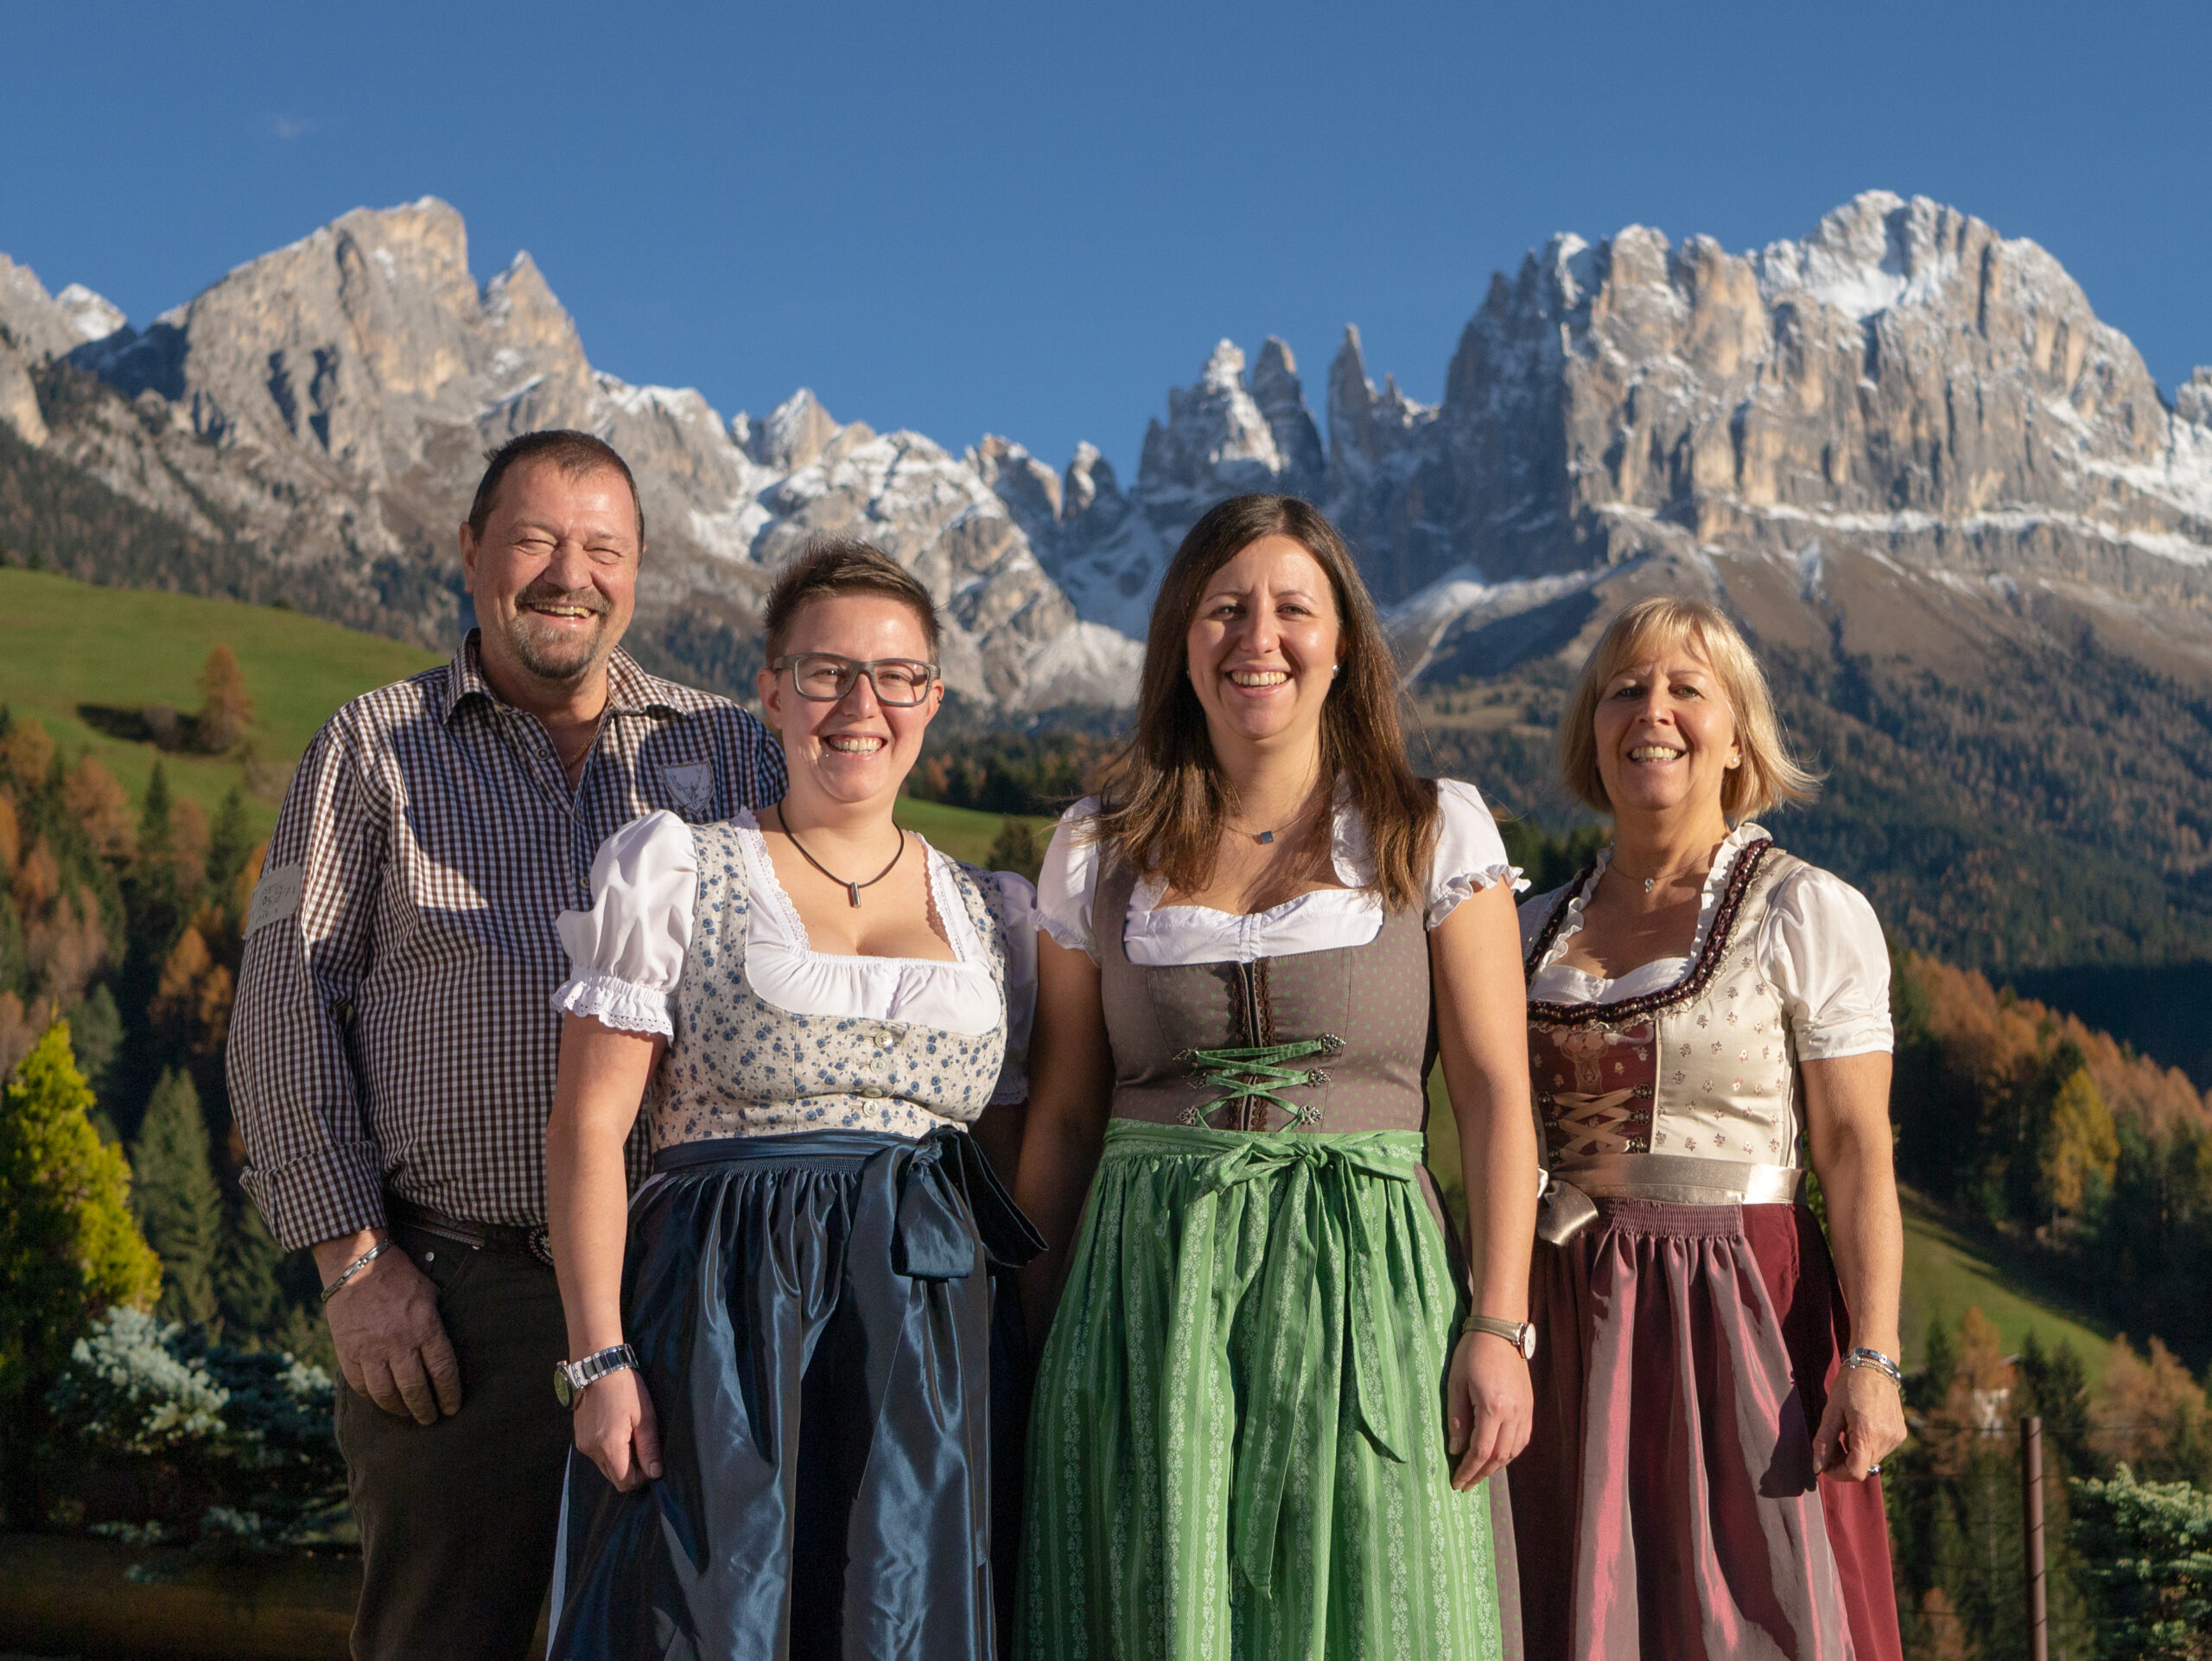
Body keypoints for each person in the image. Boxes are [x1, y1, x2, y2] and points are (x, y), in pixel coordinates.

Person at [228, 430, 786, 1661]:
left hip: (686, 1295)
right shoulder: (372, 746)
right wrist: (354, 1268)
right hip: (456, 1308)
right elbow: (281, 1009)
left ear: (638, 570)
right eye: (534, 540)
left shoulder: (733, 750)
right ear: (471, 550)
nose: (568, 575)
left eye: (603, 549)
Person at [1014, 493, 1540, 1661]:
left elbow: (1495, 1093)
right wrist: (1031, 1335)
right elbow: (1064, 1116)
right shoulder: (1098, 849)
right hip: (1149, 1292)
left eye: (1292, 608)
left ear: (1342, 642)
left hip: (1376, 1286)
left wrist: (1500, 1324)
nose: (1259, 637)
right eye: (1224, 609)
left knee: (1383, 1603)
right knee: (1157, 1608)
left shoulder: (1430, 828)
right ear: (1180, 639)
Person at [542, 538, 1042, 1660]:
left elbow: (1005, 1164)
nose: (861, 704)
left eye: (895, 675)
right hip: (722, 1319)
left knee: (898, 1619)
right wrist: (600, 1358)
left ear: (932, 700)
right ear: (772, 692)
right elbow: (588, 1127)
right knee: (705, 1617)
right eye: (826, 672)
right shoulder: (678, 869)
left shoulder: (995, 915)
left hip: (927, 1336)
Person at [1509, 595, 1906, 1660]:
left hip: (1736, 1300)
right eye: (1624, 690)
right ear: (1592, 727)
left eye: (1687, 688)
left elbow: (1854, 1147)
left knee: (1746, 1606)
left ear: (1737, 736)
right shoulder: (1525, 926)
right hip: (1561, 1301)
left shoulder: (1802, 910)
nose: (1653, 711)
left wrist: (1874, 1354)